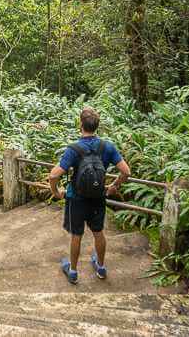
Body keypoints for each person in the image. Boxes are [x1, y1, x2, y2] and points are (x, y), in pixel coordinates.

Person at [48, 107, 130, 284]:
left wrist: (55, 192)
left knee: (76, 235)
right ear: (97, 126)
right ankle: (100, 267)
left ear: (80, 125)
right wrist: (114, 186)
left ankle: (73, 271)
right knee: (98, 232)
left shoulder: (74, 149)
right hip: (98, 197)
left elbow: (54, 175)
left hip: (76, 198)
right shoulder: (107, 147)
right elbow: (126, 171)